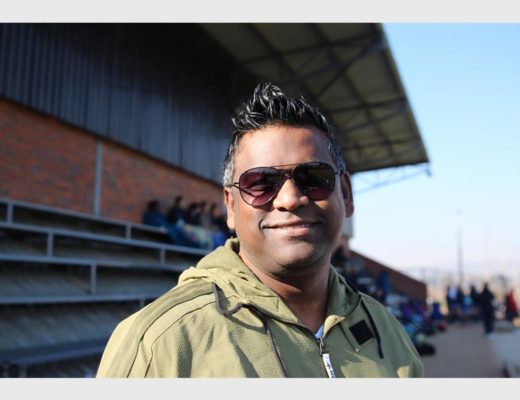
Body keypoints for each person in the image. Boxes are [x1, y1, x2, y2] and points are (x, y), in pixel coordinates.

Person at [97, 83, 423, 378]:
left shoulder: (385, 330)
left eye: (314, 177)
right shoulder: (162, 343)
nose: (290, 199)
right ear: (231, 206)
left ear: (346, 195)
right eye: (261, 183)